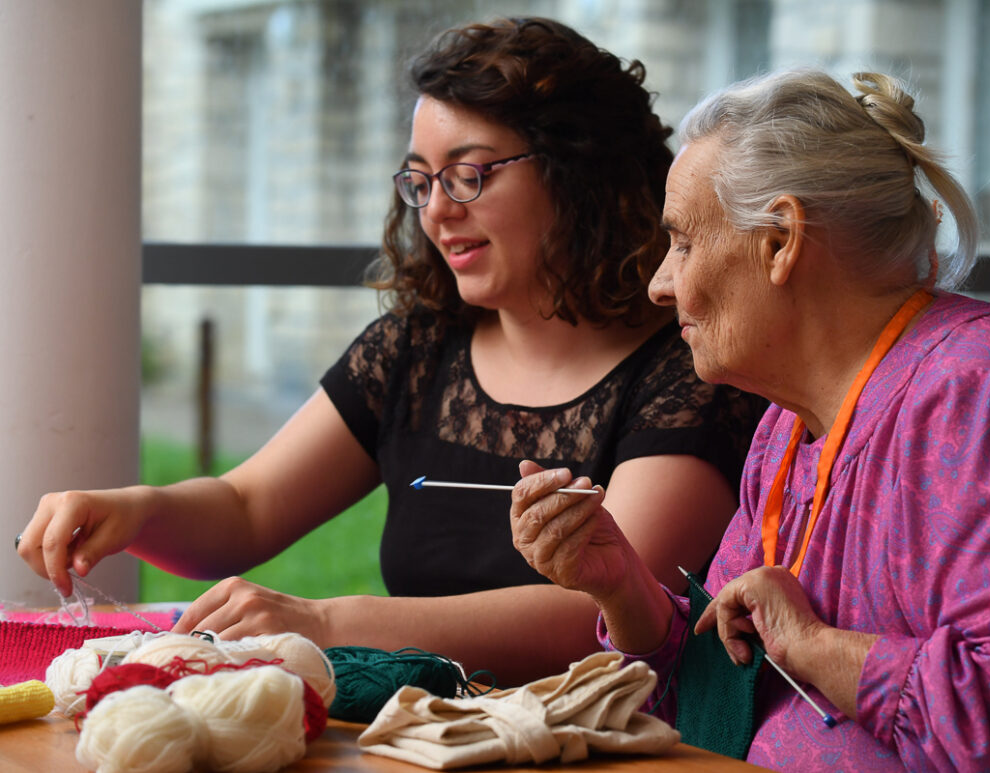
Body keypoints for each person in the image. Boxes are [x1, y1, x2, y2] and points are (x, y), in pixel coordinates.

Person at [16, 17, 768, 686]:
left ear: (580, 174)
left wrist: (329, 623)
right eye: (421, 180)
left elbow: (599, 615)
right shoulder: (416, 347)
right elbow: (246, 508)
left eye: (470, 174)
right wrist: (134, 510)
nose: (438, 210)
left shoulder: (690, 370)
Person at [511, 68, 990, 770]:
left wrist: (818, 647)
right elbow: (730, 686)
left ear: (782, 240)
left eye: (685, 242)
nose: (660, 283)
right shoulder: (788, 427)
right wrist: (621, 584)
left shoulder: (978, 403)